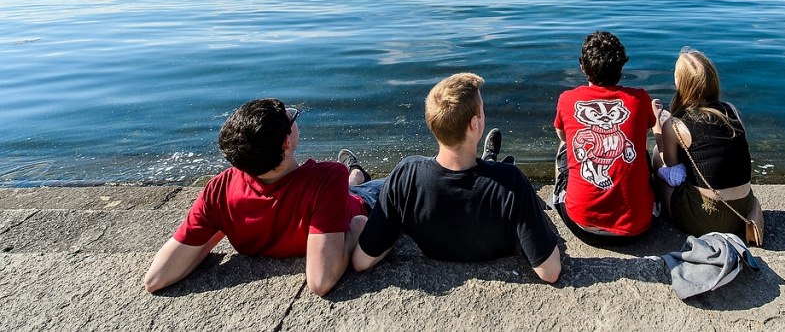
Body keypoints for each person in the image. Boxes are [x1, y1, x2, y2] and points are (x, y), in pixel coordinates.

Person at [144, 98, 383, 296]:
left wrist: (218, 228)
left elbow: (156, 278)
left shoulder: (220, 189)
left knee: (350, 185)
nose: (294, 119)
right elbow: (321, 281)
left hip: (331, 198)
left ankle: (355, 173)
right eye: (293, 119)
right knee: (390, 183)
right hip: (358, 204)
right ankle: (356, 174)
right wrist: (354, 232)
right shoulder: (326, 178)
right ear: (287, 142)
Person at [352, 73, 561, 283]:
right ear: (474, 124)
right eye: (482, 111)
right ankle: (489, 161)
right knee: (504, 173)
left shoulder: (406, 176)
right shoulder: (510, 183)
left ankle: (488, 159)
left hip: (434, 251)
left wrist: (389, 230)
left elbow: (362, 261)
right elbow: (549, 272)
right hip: (495, 247)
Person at [552, 31, 657, 245]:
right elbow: (647, 128)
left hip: (581, 224)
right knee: (642, 151)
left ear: (582, 66)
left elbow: (563, 136)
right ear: (621, 67)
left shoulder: (567, 99)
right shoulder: (640, 98)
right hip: (637, 227)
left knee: (564, 147)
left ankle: (560, 193)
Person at [652, 49, 755, 238]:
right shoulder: (731, 110)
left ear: (680, 82)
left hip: (707, 218)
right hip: (742, 210)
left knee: (657, 157)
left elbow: (672, 173)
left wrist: (658, 125)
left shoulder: (674, 124)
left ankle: (659, 207)